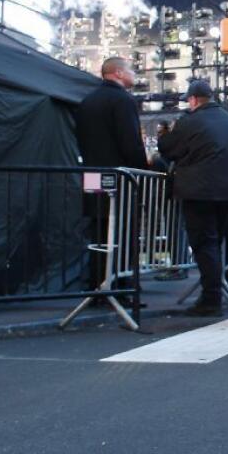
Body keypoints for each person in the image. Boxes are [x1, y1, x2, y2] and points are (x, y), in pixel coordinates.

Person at [157, 80, 228, 316]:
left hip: (199, 190)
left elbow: (169, 149)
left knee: (204, 244)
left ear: (194, 99)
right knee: (214, 242)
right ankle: (212, 292)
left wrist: (165, 133)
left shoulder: (190, 121)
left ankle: (210, 299)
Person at [74, 57, 148, 293]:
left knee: (98, 231)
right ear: (117, 73)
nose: (134, 75)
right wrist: (141, 174)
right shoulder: (123, 101)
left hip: (94, 175)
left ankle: (98, 285)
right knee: (123, 233)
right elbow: (131, 143)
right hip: (121, 180)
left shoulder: (87, 101)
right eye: (131, 70)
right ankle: (120, 286)